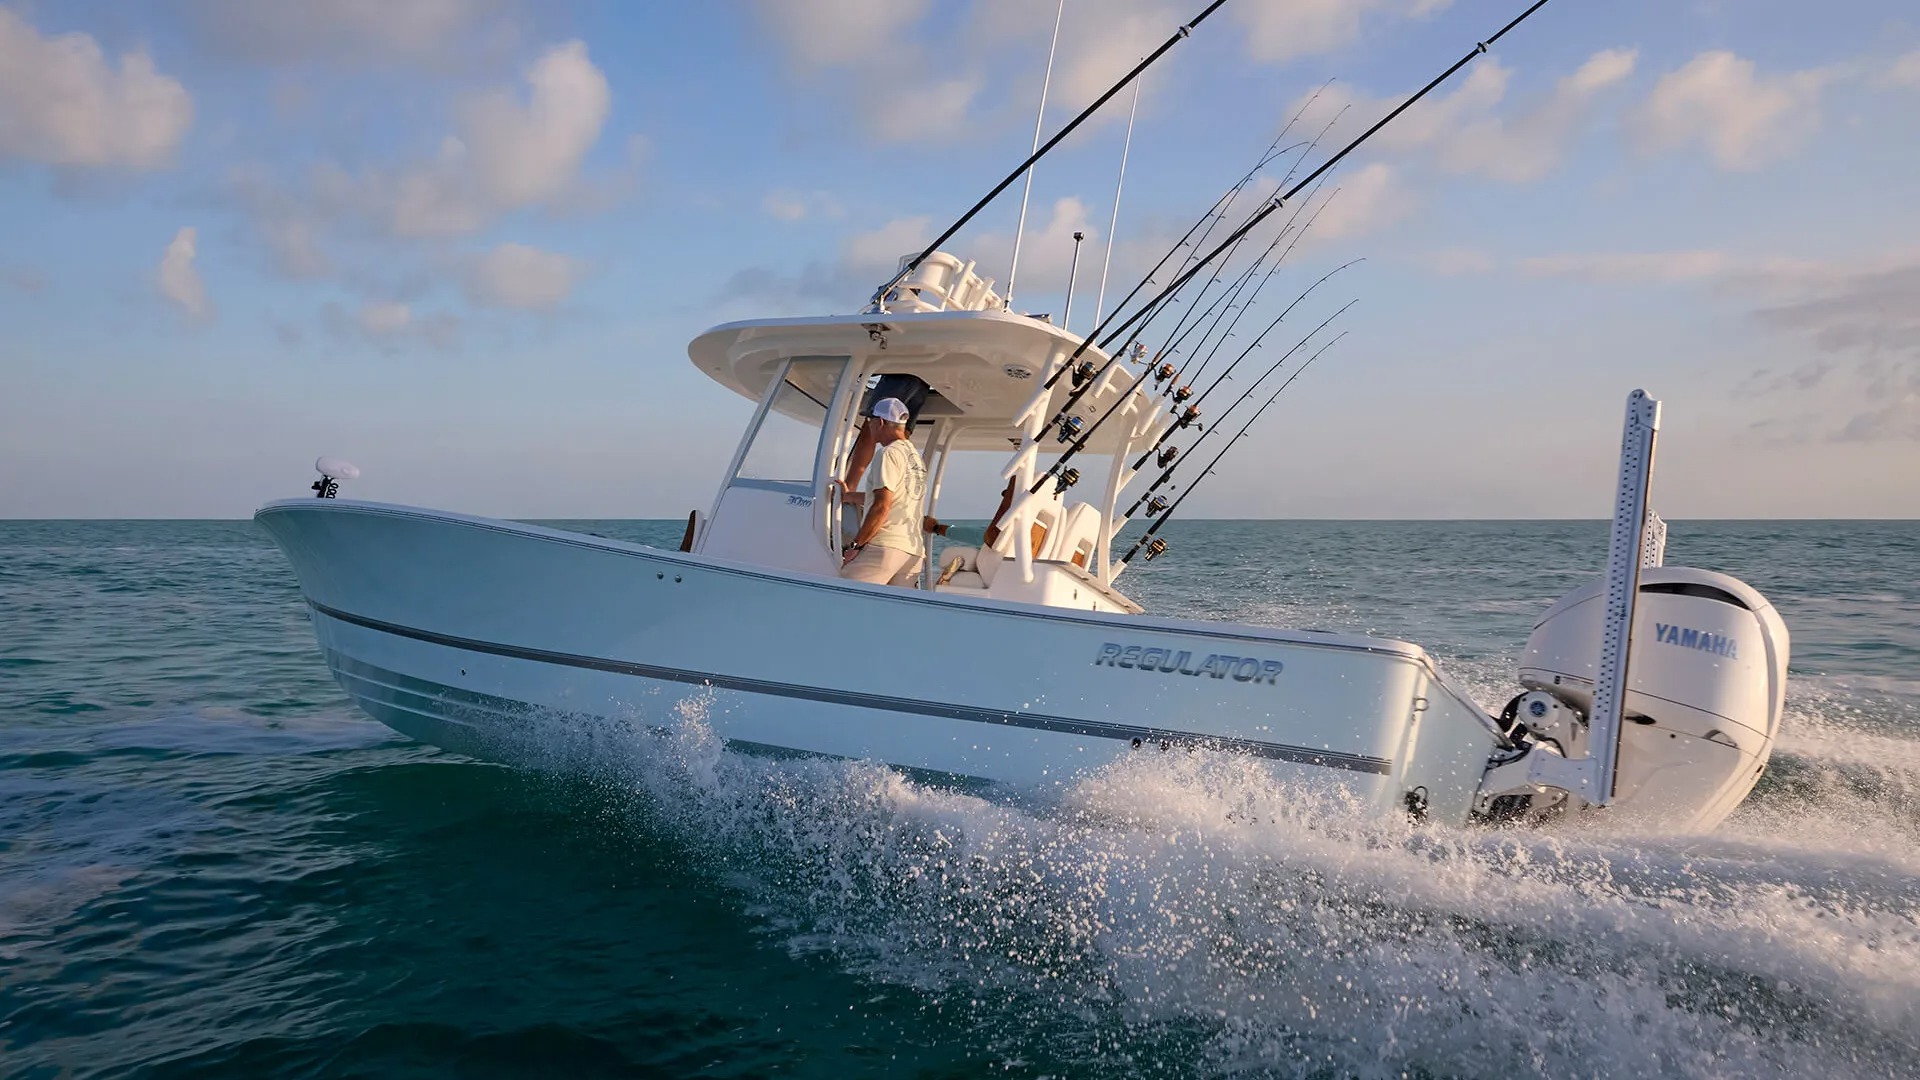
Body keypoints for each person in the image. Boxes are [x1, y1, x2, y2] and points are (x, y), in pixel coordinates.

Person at [837, 397, 927, 586]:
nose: (868, 425)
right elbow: (894, 499)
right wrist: (849, 496)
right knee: (891, 613)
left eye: (870, 420)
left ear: (881, 422)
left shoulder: (888, 453)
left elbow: (881, 507)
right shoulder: (915, 459)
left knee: (840, 598)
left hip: (884, 548)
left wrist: (856, 545)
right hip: (912, 553)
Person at [842, 373, 930, 492]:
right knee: (902, 430)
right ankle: (896, 486)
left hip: (900, 374)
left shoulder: (885, 449)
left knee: (870, 428)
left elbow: (870, 431)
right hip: (923, 383)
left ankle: (850, 485)